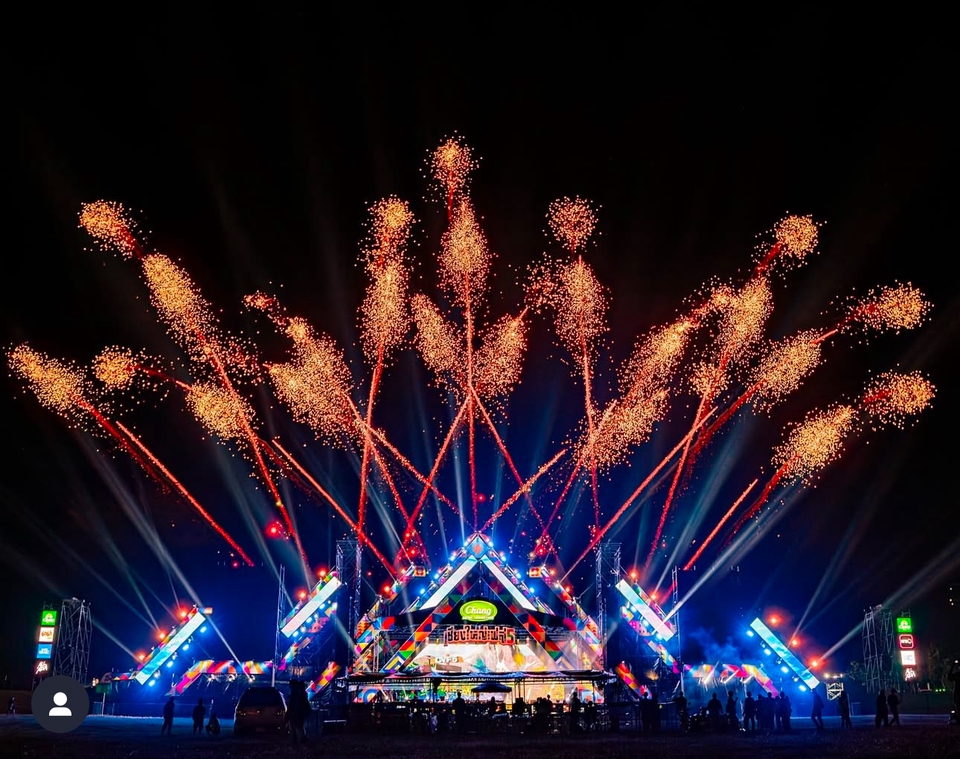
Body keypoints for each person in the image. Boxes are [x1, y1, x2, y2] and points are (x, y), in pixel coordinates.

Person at [286, 678, 312, 745]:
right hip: (300, 711)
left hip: (297, 711)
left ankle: (299, 738)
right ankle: (301, 738)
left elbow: (294, 703)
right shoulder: (300, 692)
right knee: (299, 725)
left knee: (296, 724)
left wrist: (292, 711)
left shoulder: (295, 692)